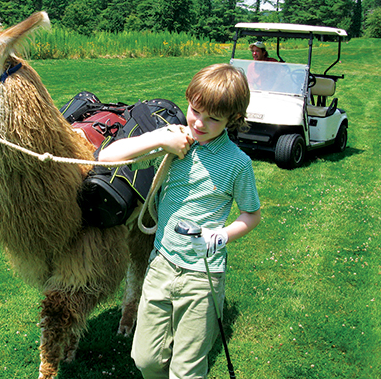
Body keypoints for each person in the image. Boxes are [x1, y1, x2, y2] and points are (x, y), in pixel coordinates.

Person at [98, 63, 261, 378]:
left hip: (202, 277)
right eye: (195, 110)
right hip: (160, 266)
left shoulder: (238, 164)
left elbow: (251, 214)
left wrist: (223, 236)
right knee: (146, 359)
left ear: (233, 120)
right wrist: (159, 138)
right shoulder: (175, 145)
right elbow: (107, 157)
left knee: (186, 371)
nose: (199, 123)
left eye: (213, 119)